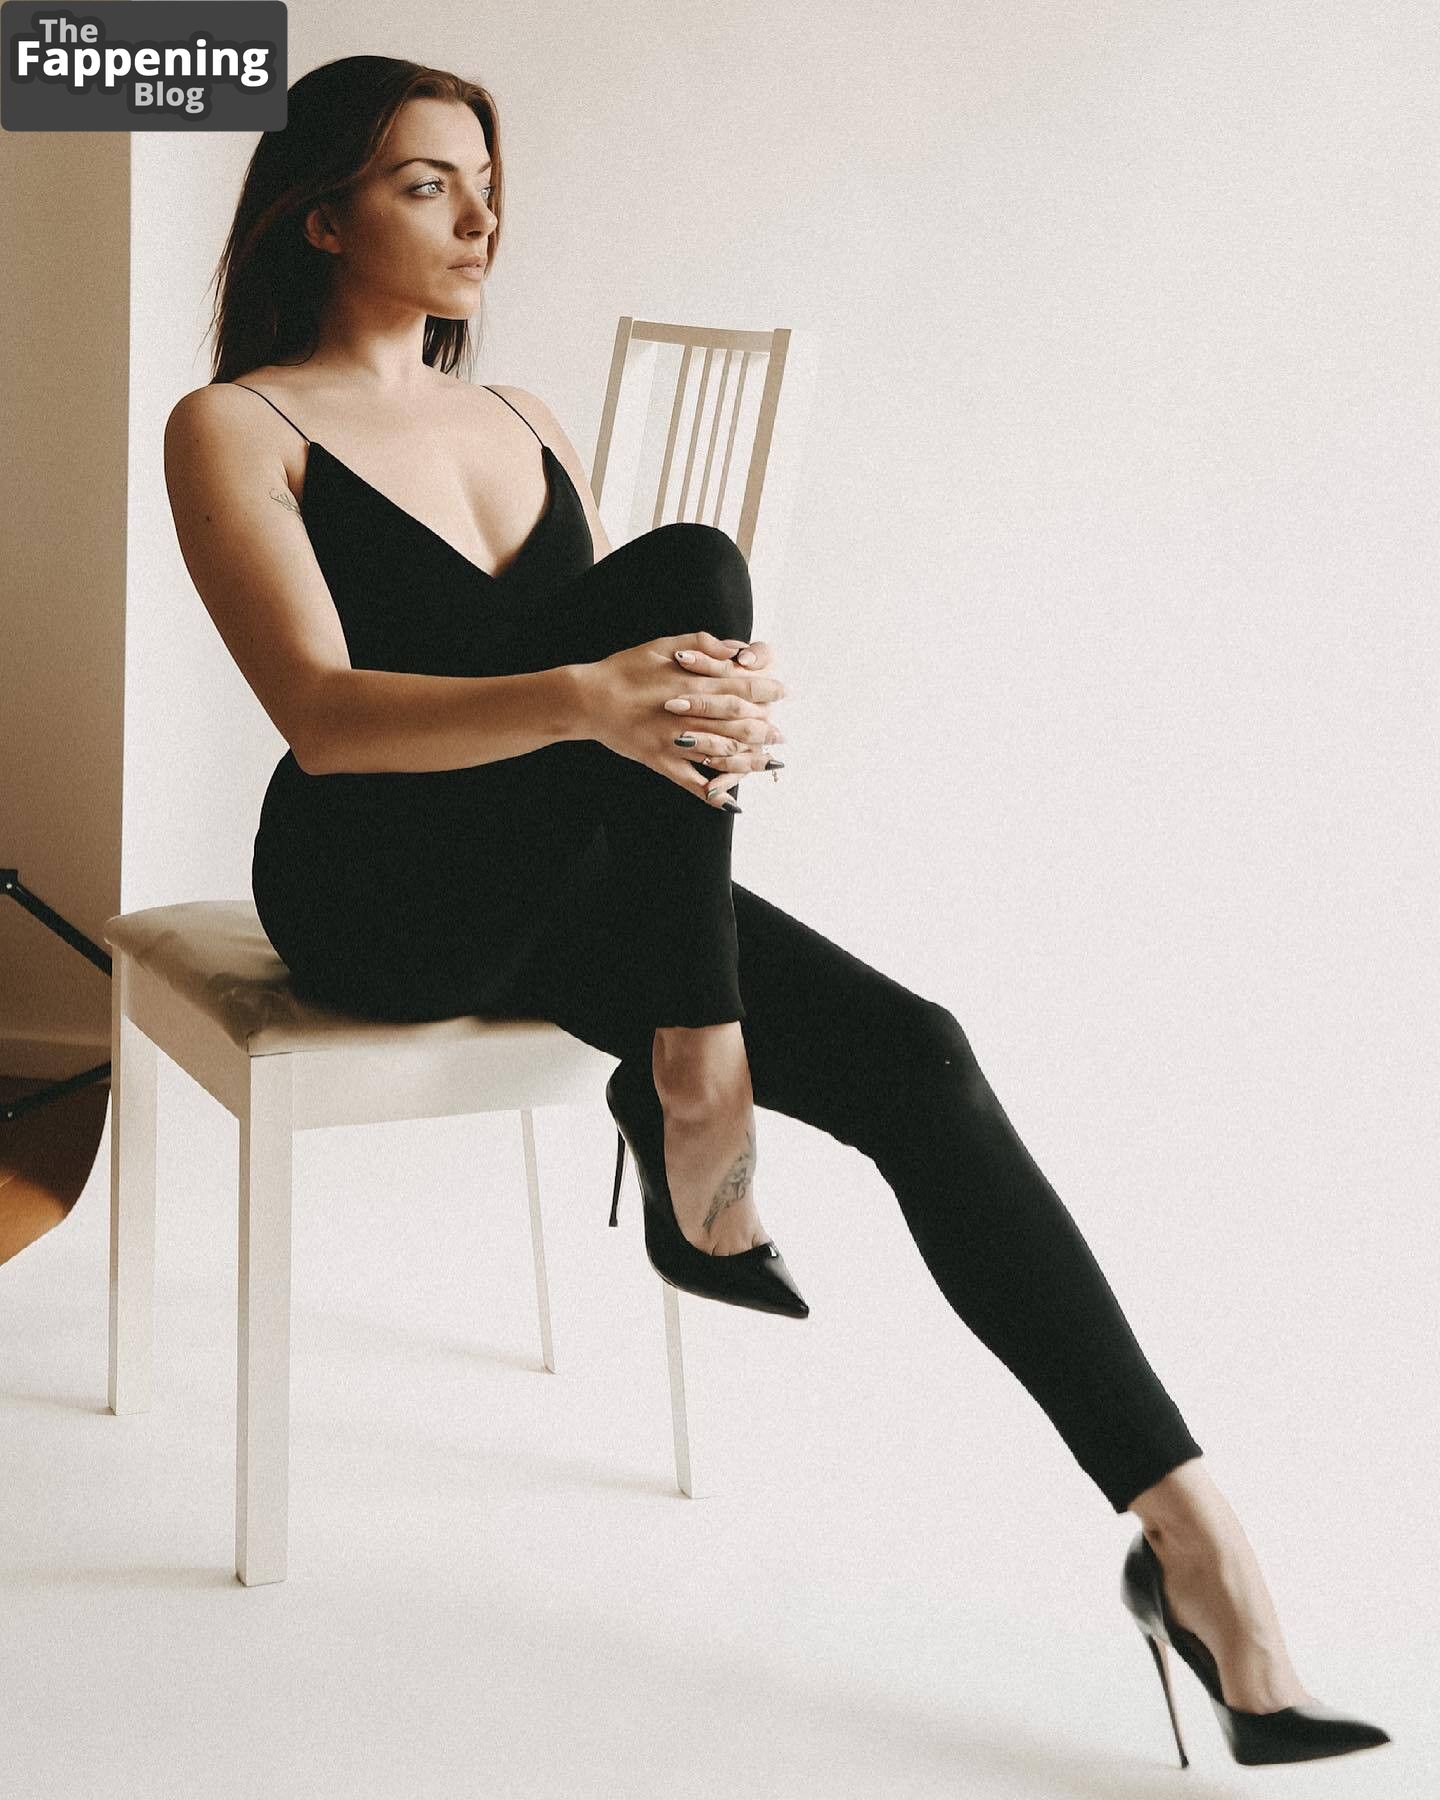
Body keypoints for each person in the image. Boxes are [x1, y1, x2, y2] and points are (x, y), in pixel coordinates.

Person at [161, 54, 1389, 1769]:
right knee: (686, 572)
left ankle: (1197, 1548)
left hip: (565, 882)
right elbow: (323, 717)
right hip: (377, 887)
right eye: (428, 183)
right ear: (320, 215)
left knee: (921, 1056)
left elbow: (626, 725)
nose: (481, 217)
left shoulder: (527, 423)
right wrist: (604, 699)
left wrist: (703, 716)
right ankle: (695, 1079)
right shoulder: (236, 425)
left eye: (487, 183)